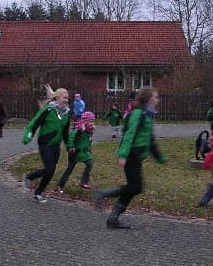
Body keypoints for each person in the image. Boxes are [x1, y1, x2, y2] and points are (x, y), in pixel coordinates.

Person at [94, 86, 167, 229]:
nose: (158, 99)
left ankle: (113, 219)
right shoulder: (138, 114)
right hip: (131, 156)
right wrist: (123, 155)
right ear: (148, 99)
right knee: (135, 187)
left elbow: (150, 139)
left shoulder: (147, 115)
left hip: (137, 157)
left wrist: (160, 157)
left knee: (134, 188)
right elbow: (129, 134)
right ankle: (103, 193)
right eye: (156, 97)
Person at [22, 85, 71, 203]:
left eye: (67, 98)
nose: (66, 100)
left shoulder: (66, 113)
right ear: (57, 98)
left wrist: (70, 146)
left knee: (51, 171)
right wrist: (28, 136)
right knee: (49, 169)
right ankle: (29, 177)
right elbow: (34, 123)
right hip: (45, 143)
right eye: (64, 98)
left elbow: (66, 133)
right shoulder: (48, 109)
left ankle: (38, 193)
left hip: (56, 145)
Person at [56, 111, 95, 194]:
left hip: (84, 152)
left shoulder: (90, 130)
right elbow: (71, 138)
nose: (92, 123)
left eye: (93, 121)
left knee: (90, 164)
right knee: (69, 169)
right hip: (75, 152)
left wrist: (89, 150)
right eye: (90, 121)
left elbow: (88, 141)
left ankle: (84, 182)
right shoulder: (79, 129)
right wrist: (71, 147)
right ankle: (60, 185)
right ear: (85, 121)